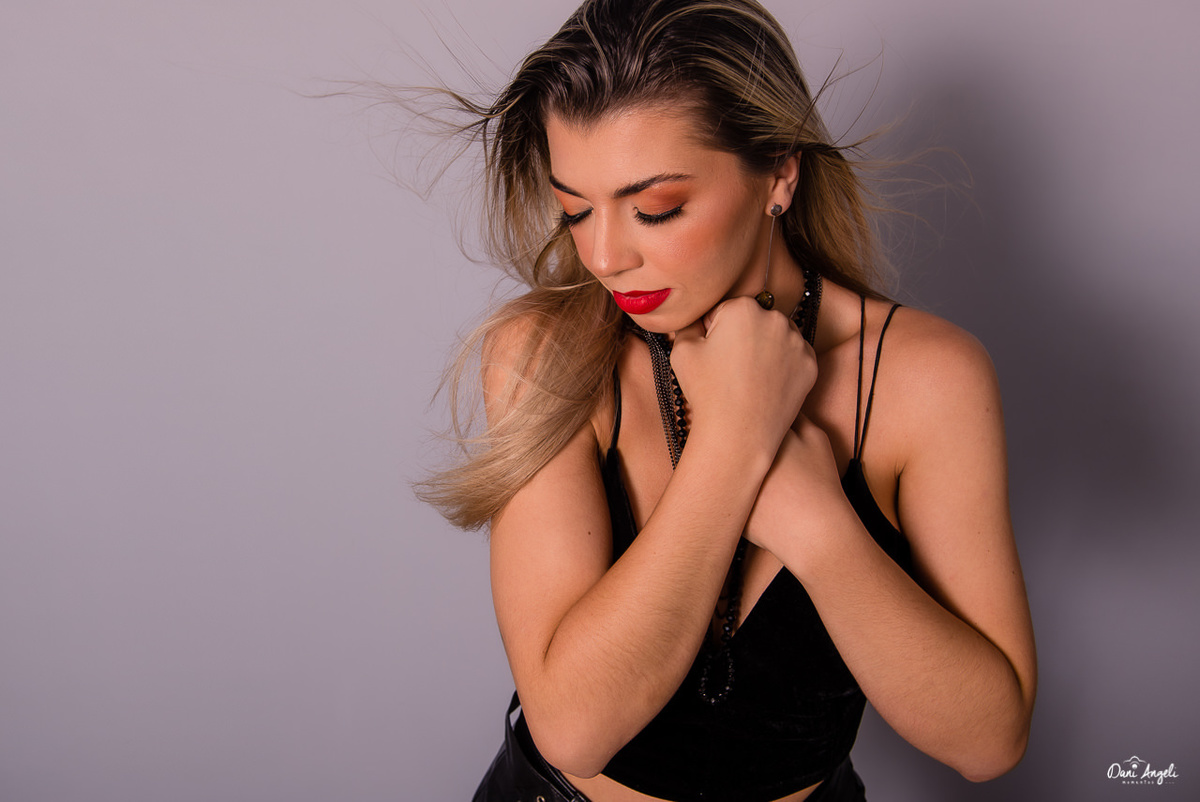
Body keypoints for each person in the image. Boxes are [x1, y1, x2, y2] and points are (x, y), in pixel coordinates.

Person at [416, 1, 1037, 799]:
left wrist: (817, 525)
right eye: (575, 210)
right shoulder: (547, 356)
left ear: (778, 172)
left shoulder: (926, 379)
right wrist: (735, 438)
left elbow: (989, 741)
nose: (604, 255)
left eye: (656, 209)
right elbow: (574, 728)